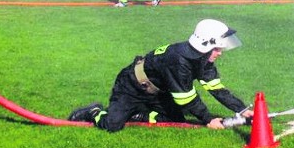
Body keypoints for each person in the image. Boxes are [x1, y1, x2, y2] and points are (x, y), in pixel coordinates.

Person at [68, 19, 254, 132]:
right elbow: (187, 99)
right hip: (132, 86)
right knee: (112, 125)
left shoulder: (203, 59)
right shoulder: (178, 61)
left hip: (158, 91)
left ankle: (139, 114)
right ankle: (94, 111)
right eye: (218, 48)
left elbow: (217, 89)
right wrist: (209, 119)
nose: (220, 52)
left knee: (177, 120)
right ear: (206, 44)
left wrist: (242, 109)